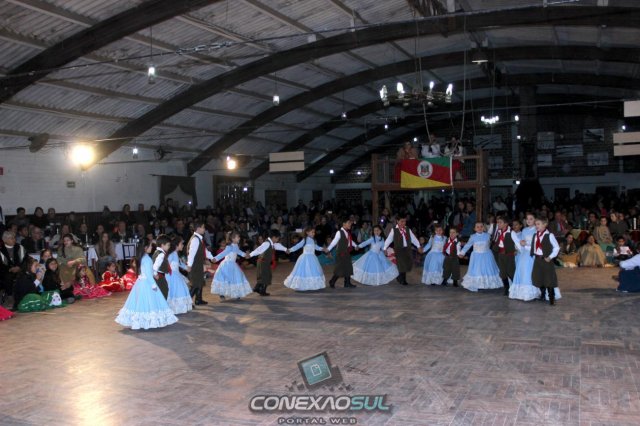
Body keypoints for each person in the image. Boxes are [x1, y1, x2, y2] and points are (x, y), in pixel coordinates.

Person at [115, 239, 178, 330]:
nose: (152, 247)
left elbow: (148, 270)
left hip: (140, 283)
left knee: (140, 302)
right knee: (149, 301)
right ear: (145, 248)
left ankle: (141, 320)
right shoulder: (147, 259)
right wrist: (153, 285)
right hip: (146, 283)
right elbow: (148, 274)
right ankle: (145, 320)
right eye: (150, 246)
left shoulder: (143, 257)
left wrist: (154, 274)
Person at [458, 222, 502, 292]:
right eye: (477, 227)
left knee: (487, 270)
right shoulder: (473, 237)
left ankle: (487, 283)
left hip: (487, 256)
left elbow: (493, 241)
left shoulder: (487, 235)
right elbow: (468, 245)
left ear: (484, 228)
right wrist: (462, 253)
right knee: (477, 270)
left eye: (481, 226)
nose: (479, 228)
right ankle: (477, 284)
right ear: (474, 229)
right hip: (476, 256)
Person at [211, 231, 253, 300]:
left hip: (233, 265)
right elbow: (223, 253)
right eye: (238, 237)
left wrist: (245, 255)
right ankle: (222, 293)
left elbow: (239, 252)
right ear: (233, 239)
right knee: (226, 279)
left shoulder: (236, 245)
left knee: (236, 278)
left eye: (239, 237)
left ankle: (236, 293)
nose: (239, 238)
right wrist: (215, 258)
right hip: (226, 265)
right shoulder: (229, 247)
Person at [509, 213, 541, 302]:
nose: (529, 221)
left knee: (529, 272)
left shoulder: (537, 230)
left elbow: (537, 244)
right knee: (522, 271)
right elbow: (522, 242)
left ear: (535, 220)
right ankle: (521, 293)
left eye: (531, 219)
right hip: (524, 254)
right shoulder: (524, 230)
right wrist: (521, 244)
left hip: (532, 254)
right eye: (527, 219)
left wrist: (526, 243)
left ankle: (531, 293)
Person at [248, 229, 288, 296]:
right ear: (274, 237)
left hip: (265, 262)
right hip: (262, 262)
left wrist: (285, 249)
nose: (278, 240)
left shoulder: (271, 243)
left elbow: (277, 245)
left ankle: (258, 288)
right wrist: (250, 255)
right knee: (265, 276)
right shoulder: (267, 243)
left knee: (266, 276)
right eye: (277, 238)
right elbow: (258, 250)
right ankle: (260, 290)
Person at [531, 217, 560, 305]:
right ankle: (542, 295)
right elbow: (534, 247)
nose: (536, 226)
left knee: (549, 279)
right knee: (539, 277)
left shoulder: (549, 235)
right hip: (537, 260)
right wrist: (525, 246)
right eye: (536, 224)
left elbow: (556, 247)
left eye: (538, 224)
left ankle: (551, 298)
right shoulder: (535, 235)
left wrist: (550, 257)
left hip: (546, 260)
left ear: (545, 224)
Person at [383, 216, 420, 285]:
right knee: (401, 264)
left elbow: (413, 238)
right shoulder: (394, 230)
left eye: (405, 221)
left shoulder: (407, 229)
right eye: (401, 221)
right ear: (397, 221)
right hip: (399, 250)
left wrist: (418, 246)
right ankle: (403, 279)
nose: (403, 223)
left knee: (406, 264)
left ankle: (399, 277)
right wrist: (385, 248)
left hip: (407, 249)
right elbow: (389, 239)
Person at [186, 221, 215, 306]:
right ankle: (187, 302)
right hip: (195, 265)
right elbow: (191, 254)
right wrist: (189, 265)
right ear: (198, 228)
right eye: (203, 227)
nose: (204, 229)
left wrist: (211, 257)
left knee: (200, 282)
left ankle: (198, 300)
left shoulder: (199, 239)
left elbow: (204, 250)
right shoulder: (195, 239)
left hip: (198, 264)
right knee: (195, 284)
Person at [325, 218, 359, 288]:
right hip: (341, 253)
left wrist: (355, 245)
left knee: (348, 267)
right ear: (344, 224)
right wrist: (328, 249)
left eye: (350, 223)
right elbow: (334, 241)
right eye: (348, 223)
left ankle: (347, 283)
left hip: (346, 253)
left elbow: (350, 241)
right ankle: (332, 281)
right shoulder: (339, 232)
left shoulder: (347, 232)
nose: (350, 224)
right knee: (340, 268)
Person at [165, 236, 193, 314]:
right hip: (172, 275)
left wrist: (187, 268)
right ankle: (174, 308)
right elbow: (166, 263)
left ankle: (176, 308)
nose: (183, 245)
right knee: (177, 290)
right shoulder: (172, 254)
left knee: (179, 290)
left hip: (175, 274)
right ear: (176, 245)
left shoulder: (175, 253)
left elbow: (179, 263)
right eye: (181, 244)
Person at [1, 230, 27, 308]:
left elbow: (25, 259)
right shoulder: (1, 249)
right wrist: (9, 269)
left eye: (14, 238)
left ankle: (23, 297)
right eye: (11, 238)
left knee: (24, 276)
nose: (14, 239)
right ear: (5, 240)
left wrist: (19, 267)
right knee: (7, 277)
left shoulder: (20, 247)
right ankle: (9, 297)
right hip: (6, 271)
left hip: (20, 269)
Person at [491, 216, 516, 296]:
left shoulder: (511, 232)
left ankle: (516, 288)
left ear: (506, 224)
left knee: (511, 272)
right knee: (503, 272)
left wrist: (518, 250)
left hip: (509, 255)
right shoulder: (500, 232)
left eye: (500, 222)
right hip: (501, 255)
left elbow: (517, 242)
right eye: (497, 222)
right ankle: (506, 288)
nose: (498, 224)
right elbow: (498, 242)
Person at [152, 235, 171, 300]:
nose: (169, 247)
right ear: (162, 245)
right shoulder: (161, 254)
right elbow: (155, 266)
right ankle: (162, 305)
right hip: (159, 277)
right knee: (164, 291)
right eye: (168, 245)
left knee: (160, 292)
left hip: (159, 276)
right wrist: (155, 274)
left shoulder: (156, 252)